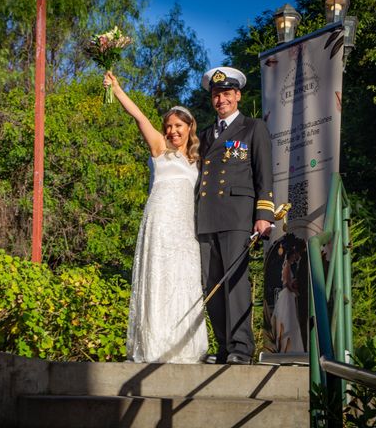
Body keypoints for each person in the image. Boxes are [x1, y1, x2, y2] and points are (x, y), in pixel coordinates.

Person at [103, 71, 208, 363]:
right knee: (158, 277)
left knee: (183, 279)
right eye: (169, 126)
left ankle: (184, 345)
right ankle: (155, 345)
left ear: (189, 127)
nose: (173, 131)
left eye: (178, 126)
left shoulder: (197, 159)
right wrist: (118, 89)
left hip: (185, 228)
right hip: (160, 220)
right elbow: (138, 117)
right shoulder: (160, 148)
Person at [197, 66, 275, 365]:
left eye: (227, 94)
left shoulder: (252, 128)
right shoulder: (204, 135)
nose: (221, 100)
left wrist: (264, 212)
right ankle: (224, 347)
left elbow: (263, 173)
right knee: (212, 287)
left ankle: (241, 348)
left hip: (237, 217)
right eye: (217, 95)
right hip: (206, 220)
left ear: (238, 95)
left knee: (236, 285)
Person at [272, 244, 304, 353]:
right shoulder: (287, 266)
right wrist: (294, 291)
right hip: (287, 294)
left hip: (288, 294)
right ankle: (288, 346)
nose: (295, 257)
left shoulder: (288, 265)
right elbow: (286, 283)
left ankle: (291, 346)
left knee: (291, 319)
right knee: (288, 318)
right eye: (294, 255)